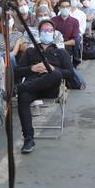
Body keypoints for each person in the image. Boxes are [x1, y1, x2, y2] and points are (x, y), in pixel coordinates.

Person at [14, 19, 64, 154]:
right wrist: (32, 68)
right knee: (23, 97)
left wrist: (52, 69)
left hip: (50, 88)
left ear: (54, 34)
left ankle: (19, 89)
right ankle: (28, 138)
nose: (46, 33)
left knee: (56, 74)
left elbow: (70, 73)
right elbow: (17, 71)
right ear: (39, 33)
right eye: (44, 30)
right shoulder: (30, 51)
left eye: (49, 30)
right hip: (31, 88)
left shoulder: (60, 52)